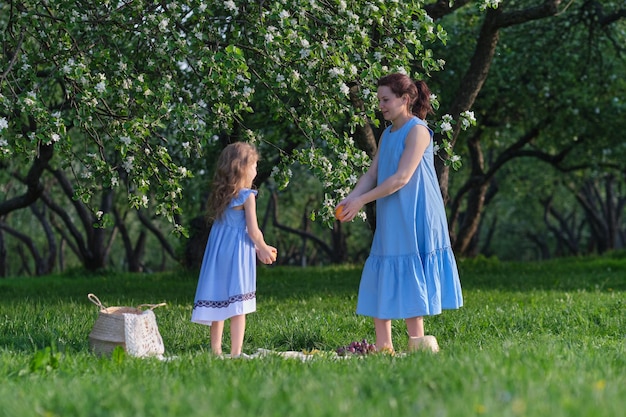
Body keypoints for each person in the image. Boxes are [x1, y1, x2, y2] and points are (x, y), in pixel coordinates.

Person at [336, 73, 463, 353]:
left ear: (405, 99)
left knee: (408, 268)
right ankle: (384, 347)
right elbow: (373, 173)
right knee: (384, 264)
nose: (381, 105)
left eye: (386, 100)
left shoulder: (418, 130)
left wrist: (362, 202)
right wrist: (352, 197)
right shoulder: (387, 133)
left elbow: (401, 178)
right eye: (379, 100)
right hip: (392, 208)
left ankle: (416, 343)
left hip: (416, 210)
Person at [191, 142, 277, 358]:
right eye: (255, 165)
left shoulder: (223, 195)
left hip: (218, 252)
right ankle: (236, 352)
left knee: (219, 302)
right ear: (242, 167)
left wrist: (259, 248)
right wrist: (264, 247)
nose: (256, 171)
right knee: (239, 305)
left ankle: (216, 351)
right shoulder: (247, 195)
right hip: (238, 253)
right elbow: (253, 231)